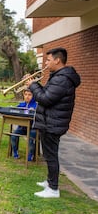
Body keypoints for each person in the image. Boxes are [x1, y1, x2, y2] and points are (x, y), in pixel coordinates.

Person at [27, 47, 81, 198]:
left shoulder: (62, 79)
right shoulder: (58, 76)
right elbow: (48, 94)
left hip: (53, 123)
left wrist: (33, 86)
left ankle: (53, 189)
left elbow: (45, 98)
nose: (46, 62)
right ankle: (50, 181)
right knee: (49, 154)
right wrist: (35, 86)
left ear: (57, 60)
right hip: (51, 121)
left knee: (51, 156)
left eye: (48, 59)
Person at [10, 89, 37, 161]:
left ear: (33, 96)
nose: (27, 96)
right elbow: (14, 111)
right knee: (14, 135)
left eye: (29, 95)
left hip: (33, 128)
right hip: (22, 127)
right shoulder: (21, 105)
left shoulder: (36, 105)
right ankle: (15, 152)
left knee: (31, 137)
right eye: (26, 94)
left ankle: (30, 155)